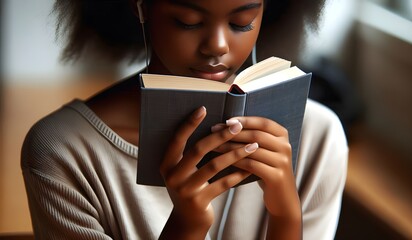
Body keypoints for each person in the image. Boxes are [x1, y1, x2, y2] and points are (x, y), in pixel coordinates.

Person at [21, 0, 348, 239]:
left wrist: (286, 217)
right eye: (188, 21)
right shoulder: (64, 152)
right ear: (141, 8)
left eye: (242, 21)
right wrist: (186, 227)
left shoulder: (318, 136)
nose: (217, 46)